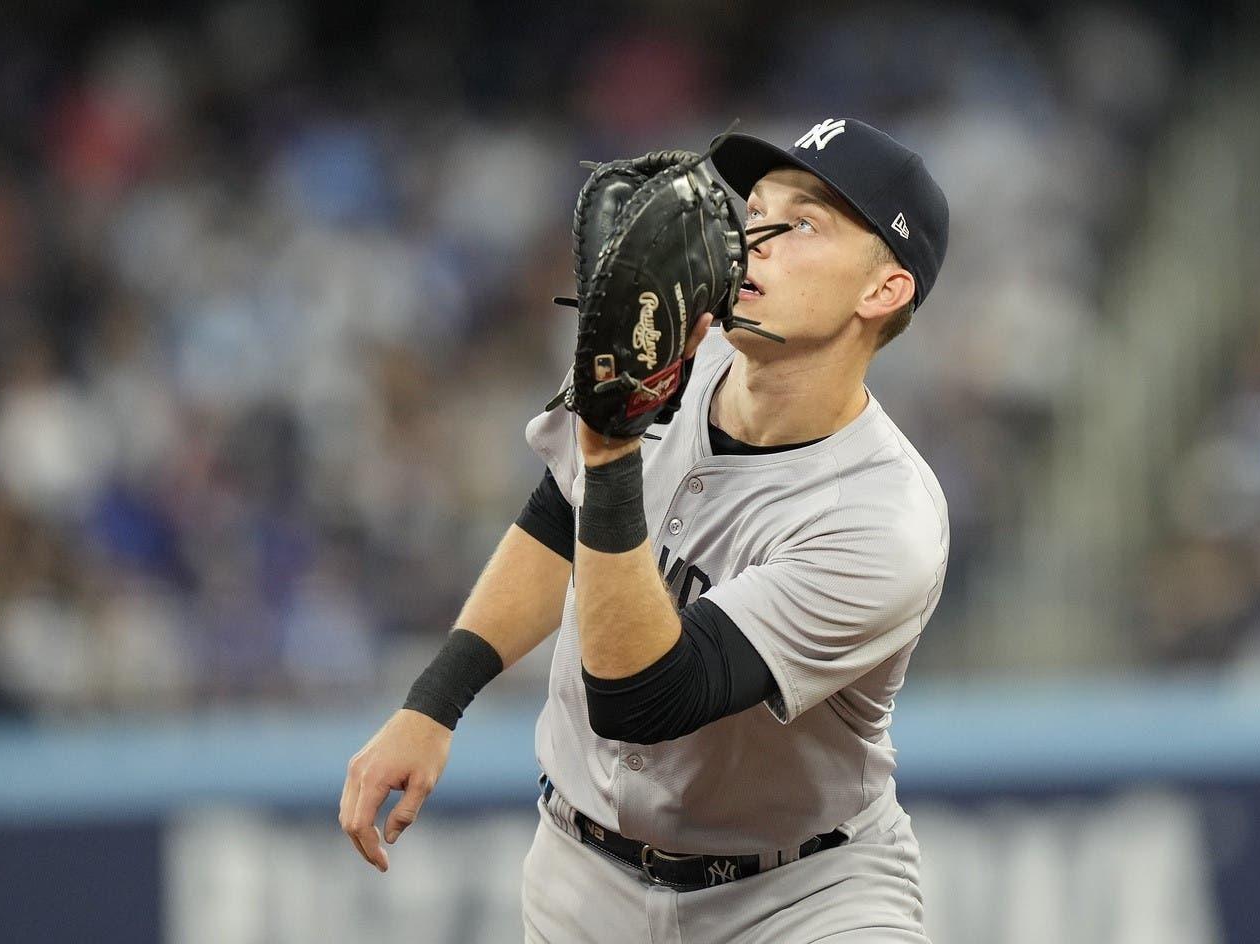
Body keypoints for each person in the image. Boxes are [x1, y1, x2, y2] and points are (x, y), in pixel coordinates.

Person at [341, 116, 951, 943]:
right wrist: (434, 702)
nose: (753, 238)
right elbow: (561, 514)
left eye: (801, 222)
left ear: (882, 291)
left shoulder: (885, 521)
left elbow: (646, 698)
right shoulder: (664, 347)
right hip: (580, 880)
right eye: (755, 208)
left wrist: (613, 445)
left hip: (803, 897)